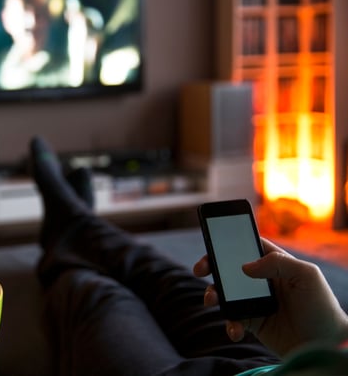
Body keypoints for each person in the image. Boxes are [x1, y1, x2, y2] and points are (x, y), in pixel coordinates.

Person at [28, 136, 348, 375]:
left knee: (97, 290)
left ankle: (66, 227)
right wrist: (330, 337)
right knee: (167, 277)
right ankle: (74, 219)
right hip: (278, 363)